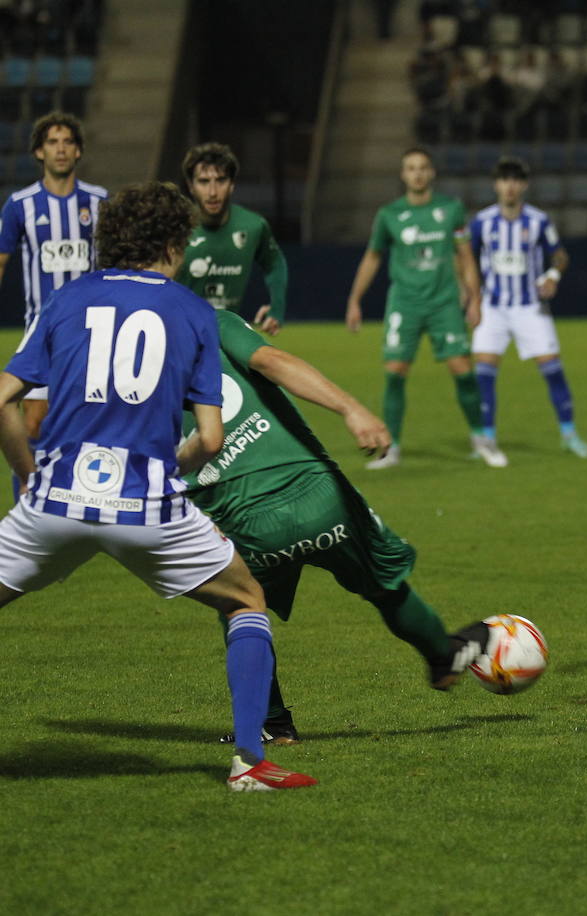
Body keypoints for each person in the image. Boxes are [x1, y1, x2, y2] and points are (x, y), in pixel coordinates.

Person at [0, 180, 315, 791]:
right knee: (246, 600)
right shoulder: (193, 311)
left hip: (55, 499)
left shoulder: (67, 300)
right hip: (147, 505)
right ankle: (250, 761)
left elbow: (4, 401)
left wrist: (25, 471)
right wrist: (168, 465)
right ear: (175, 241)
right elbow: (211, 439)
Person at [181, 310, 493, 744]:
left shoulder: (111, 367)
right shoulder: (209, 320)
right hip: (320, 496)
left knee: (240, 608)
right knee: (384, 584)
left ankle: (271, 724)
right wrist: (351, 408)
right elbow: (272, 361)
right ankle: (443, 655)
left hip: (245, 522)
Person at [345, 147, 490, 469]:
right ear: (403, 175)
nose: (417, 173)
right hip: (405, 304)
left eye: (423, 167)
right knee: (395, 373)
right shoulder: (389, 215)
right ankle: (392, 448)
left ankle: (481, 439)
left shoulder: (450, 209)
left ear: (432, 172)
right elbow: (373, 257)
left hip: (443, 303)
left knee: (463, 371)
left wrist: (475, 299)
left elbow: (465, 256)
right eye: (411, 168)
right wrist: (355, 300)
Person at [469, 156, 587, 463]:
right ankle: (486, 440)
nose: (509, 186)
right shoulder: (482, 222)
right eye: (504, 179)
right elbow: (466, 260)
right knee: (484, 373)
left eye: (515, 180)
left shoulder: (538, 221)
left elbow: (560, 256)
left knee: (552, 370)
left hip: (530, 307)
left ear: (523, 185)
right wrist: (470, 299)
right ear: (496, 184)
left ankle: (569, 435)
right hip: (493, 307)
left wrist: (552, 275)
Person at [0, 111, 107, 439]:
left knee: (91, 426)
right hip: (42, 330)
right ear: (38, 152)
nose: (60, 149)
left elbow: (115, 260)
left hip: (93, 329)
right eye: (52, 142)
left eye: (68, 142)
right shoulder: (20, 205)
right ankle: (32, 490)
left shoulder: (99, 201)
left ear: (78, 150)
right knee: (34, 424)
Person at [174, 143, 288, 336]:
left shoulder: (253, 226)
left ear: (232, 184)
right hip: (181, 333)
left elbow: (275, 263)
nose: (212, 192)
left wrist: (276, 308)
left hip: (226, 333)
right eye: (203, 181)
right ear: (191, 186)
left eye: (221, 180)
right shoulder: (175, 229)